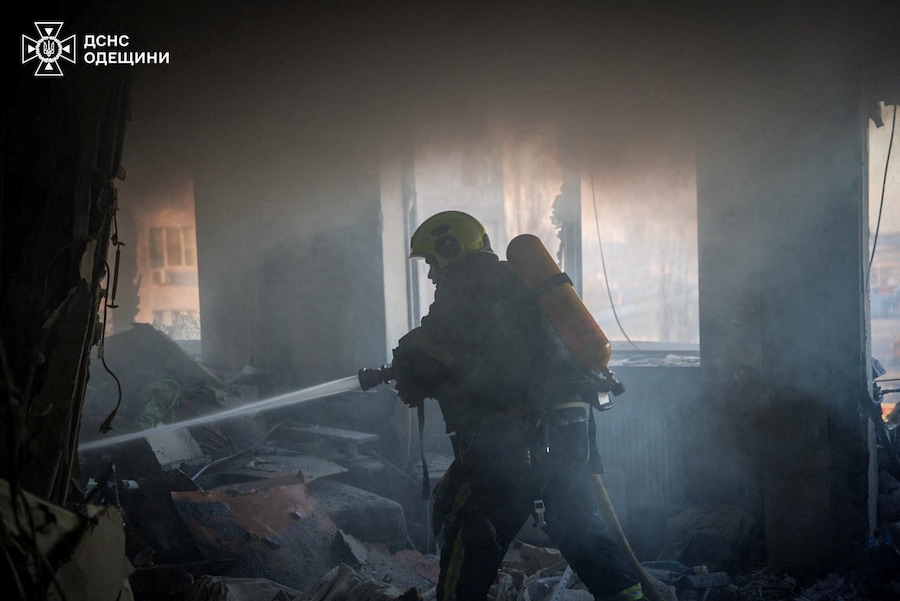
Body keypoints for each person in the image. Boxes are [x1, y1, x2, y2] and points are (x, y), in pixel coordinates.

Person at [390, 210, 645, 601]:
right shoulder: (518, 283)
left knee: (473, 528)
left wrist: (405, 370)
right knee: (579, 527)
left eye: (431, 262)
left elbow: (428, 350)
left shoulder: (467, 285)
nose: (430, 275)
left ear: (449, 249)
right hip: (570, 427)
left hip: (512, 438)